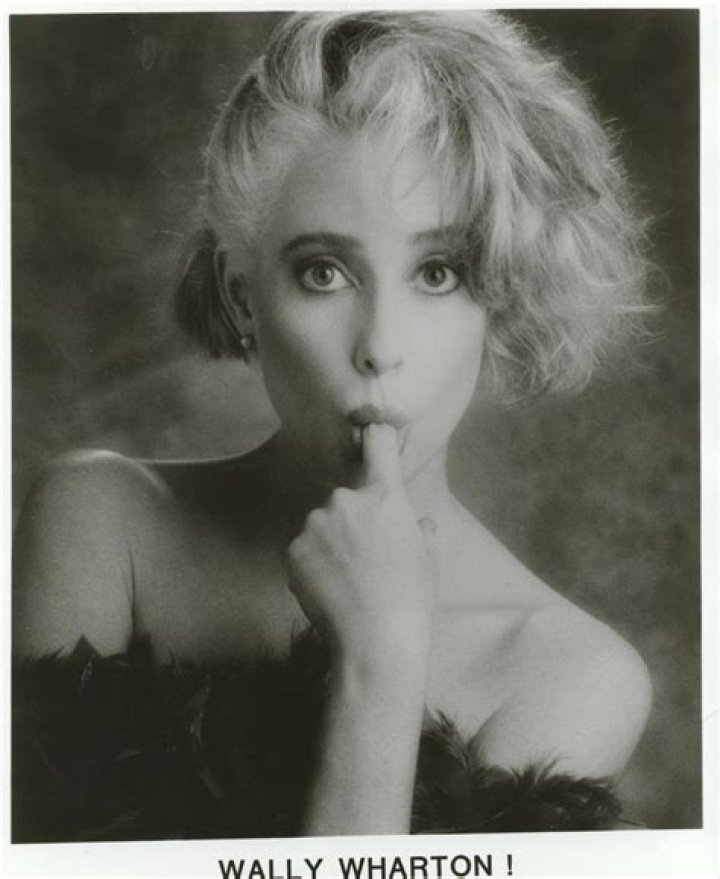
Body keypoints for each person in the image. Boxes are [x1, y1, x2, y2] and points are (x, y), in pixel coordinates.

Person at [12, 11, 654, 841]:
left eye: (438, 272)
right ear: (243, 296)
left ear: (501, 296)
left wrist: (382, 657)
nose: (379, 346)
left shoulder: (571, 673)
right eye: (324, 272)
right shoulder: (101, 526)